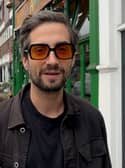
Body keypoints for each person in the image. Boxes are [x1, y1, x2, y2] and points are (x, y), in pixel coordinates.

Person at [0, 10, 112, 168]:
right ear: (25, 61)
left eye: (62, 50)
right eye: (39, 51)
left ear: (73, 59)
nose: (52, 61)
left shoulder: (92, 119)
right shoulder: (2, 121)